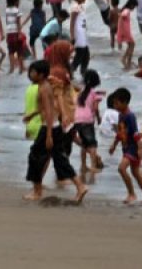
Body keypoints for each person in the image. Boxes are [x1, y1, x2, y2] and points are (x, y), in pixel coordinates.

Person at [23, 60, 88, 203]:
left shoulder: (44, 88)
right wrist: (32, 114)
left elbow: (50, 111)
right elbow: (47, 107)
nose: (30, 75)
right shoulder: (45, 86)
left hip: (49, 127)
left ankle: (37, 191)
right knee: (60, 159)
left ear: (41, 74)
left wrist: (48, 135)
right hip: (54, 127)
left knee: (35, 157)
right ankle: (80, 186)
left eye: (33, 72)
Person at [109, 87, 142, 204]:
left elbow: (136, 134)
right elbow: (120, 133)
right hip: (126, 148)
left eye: (116, 103)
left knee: (121, 169)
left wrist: (139, 149)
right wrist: (113, 145)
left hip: (133, 149)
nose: (114, 105)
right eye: (114, 103)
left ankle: (132, 194)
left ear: (124, 103)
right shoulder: (121, 116)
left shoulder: (130, 116)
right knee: (135, 173)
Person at [74, 69, 103, 173]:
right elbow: (95, 108)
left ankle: (83, 166)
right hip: (87, 120)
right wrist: (99, 118)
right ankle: (93, 166)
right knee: (92, 144)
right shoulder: (94, 93)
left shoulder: (80, 92)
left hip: (76, 119)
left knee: (84, 144)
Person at [69, 0, 90, 77]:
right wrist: (72, 36)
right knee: (80, 54)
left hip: (82, 33)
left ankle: (83, 72)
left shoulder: (80, 6)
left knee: (86, 54)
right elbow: (72, 22)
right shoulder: (75, 7)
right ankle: (70, 71)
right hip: (78, 34)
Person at [117, 0, 138, 70]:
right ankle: (128, 61)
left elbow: (121, 15)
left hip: (123, 30)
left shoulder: (124, 9)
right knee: (132, 44)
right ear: (131, 5)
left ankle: (124, 58)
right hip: (126, 31)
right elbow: (123, 15)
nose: (134, 8)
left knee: (130, 45)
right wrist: (121, 15)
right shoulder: (127, 10)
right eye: (134, 6)